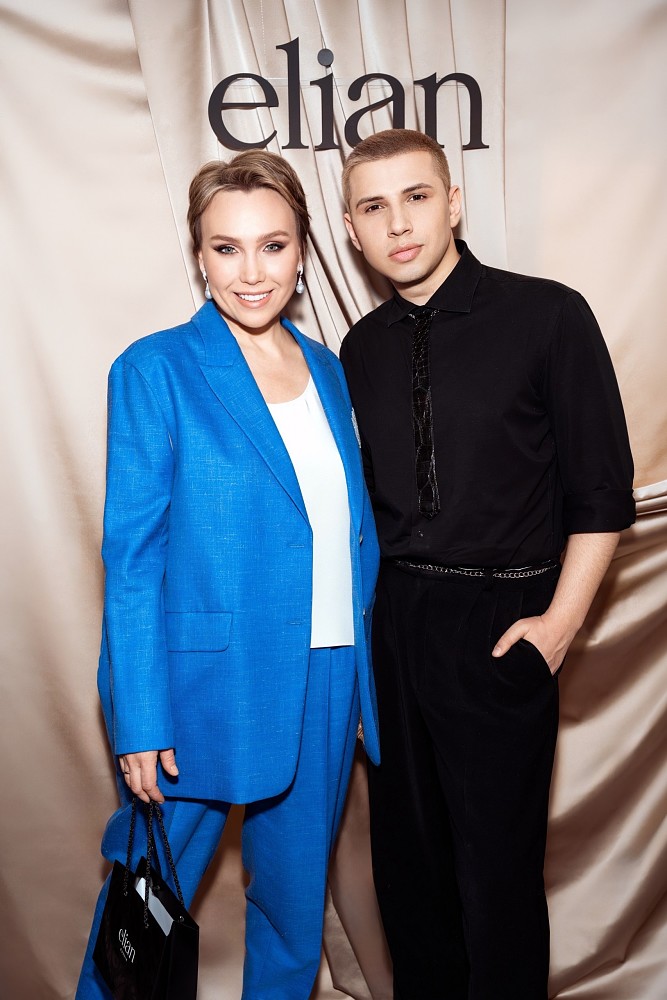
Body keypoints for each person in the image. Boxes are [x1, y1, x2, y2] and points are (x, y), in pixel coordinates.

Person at [76, 149, 380, 1000]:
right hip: (200, 684)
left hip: (326, 672)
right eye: (227, 248)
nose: (252, 272)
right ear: (199, 255)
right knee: (145, 905)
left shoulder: (328, 368)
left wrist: (363, 682)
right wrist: (138, 717)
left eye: (272, 246)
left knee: (293, 909)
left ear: (302, 251)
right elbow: (132, 558)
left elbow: (343, 530)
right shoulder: (155, 368)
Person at [339, 128, 635, 1000]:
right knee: (409, 874)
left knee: (496, 877)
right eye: (372, 207)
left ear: (454, 202)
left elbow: (599, 492)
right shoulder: (359, 347)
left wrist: (558, 628)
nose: (397, 224)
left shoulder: (547, 315)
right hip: (395, 626)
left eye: (415, 197)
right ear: (351, 230)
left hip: (506, 621)